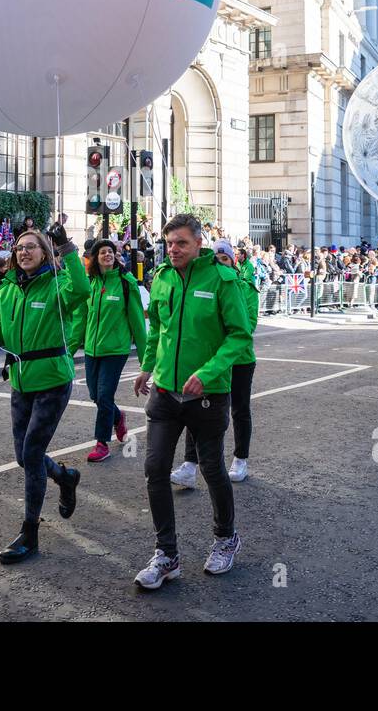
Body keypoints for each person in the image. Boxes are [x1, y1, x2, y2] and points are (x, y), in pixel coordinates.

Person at [0, 224, 89, 564]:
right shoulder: (4, 291)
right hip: (21, 382)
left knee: (32, 452)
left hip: (53, 379)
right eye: (19, 247)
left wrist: (67, 246)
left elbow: (81, 289)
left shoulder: (58, 284)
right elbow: (1, 335)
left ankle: (29, 532)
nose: (23, 252)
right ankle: (66, 478)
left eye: (32, 247)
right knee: (26, 458)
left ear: (45, 253)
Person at [132, 214, 251, 590]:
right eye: (169, 243)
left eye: (181, 243)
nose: (174, 249)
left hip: (208, 395)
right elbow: (158, 330)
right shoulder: (163, 277)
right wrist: (147, 367)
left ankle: (225, 538)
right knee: (154, 469)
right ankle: (166, 555)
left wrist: (209, 372)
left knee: (212, 468)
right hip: (165, 392)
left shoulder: (222, 279)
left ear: (200, 243)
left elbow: (239, 336)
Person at [171, 238, 260, 485]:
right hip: (209, 360)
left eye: (225, 258)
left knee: (240, 410)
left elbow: (246, 326)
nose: (220, 262)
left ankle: (240, 459)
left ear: (233, 261)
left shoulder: (244, 287)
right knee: (195, 409)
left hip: (239, 360)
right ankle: (190, 465)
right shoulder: (205, 283)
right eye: (217, 258)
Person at [72, 238, 145, 463]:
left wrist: (147, 361)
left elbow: (137, 322)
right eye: (103, 252)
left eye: (110, 251)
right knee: (95, 395)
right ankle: (118, 416)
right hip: (93, 351)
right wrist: (69, 348)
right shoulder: (90, 283)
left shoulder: (126, 283)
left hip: (116, 350)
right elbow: (80, 319)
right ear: (95, 258)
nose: (108, 255)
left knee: (104, 395)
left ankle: (102, 443)